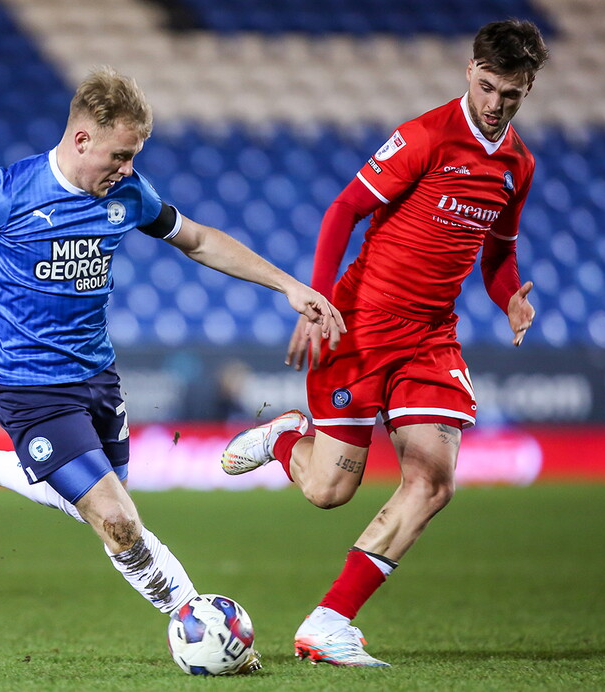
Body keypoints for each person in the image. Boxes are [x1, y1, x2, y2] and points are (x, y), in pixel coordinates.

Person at [0, 66, 343, 655]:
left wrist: (287, 286)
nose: (128, 169)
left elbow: (199, 240)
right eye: (120, 155)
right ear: (82, 140)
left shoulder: (127, 194)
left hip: (98, 379)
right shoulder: (7, 190)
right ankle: (203, 626)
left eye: (134, 157)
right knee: (119, 523)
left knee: (90, 505)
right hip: (29, 387)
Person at [221, 20, 549, 667]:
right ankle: (288, 436)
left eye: (511, 95)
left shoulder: (519, 165)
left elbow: (499, 253)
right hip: (360, 327)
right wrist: (316, 300)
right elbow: (343, 210)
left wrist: (509, 295)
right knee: (327, 491)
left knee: (433, 479)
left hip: (430, 338)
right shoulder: (425, 136)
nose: (494, 104)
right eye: (487, 87)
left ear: (527, 88)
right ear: (470, 70)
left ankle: (329, 621)